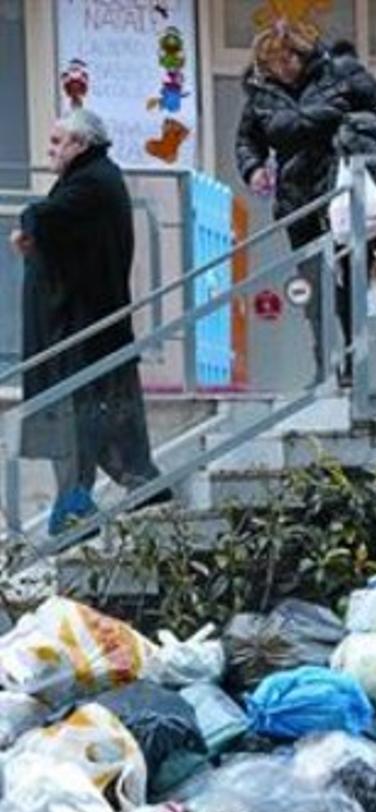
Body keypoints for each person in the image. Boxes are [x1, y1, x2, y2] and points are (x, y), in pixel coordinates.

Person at [10, 108, 169, 536]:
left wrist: (29, 226)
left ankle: (82, 506)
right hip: (78, 331)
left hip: (83, 331)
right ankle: (84, 503)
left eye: (57, 142)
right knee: (85, 420)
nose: (50, 151)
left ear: (81, 144)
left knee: (84, 419)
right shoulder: (91, 178)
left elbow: (48, 217)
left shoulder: (94, 181)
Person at [235, 23, 376, 385]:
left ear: (300, 53)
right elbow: (247, 140)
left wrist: (355, 140)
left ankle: (354, 366)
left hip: (345, 191)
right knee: (315, 286)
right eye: (272, 64)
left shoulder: (340, 72)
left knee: (352, 278)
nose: (281, 69)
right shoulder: (261, 93)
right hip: (298, 198)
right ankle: (324, 366)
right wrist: (254, 168)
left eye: (286, 59)